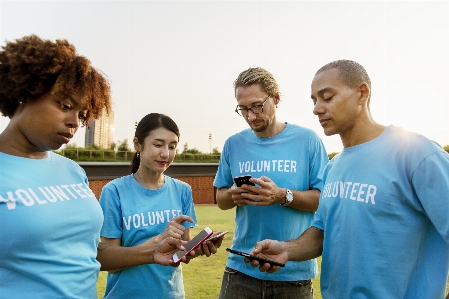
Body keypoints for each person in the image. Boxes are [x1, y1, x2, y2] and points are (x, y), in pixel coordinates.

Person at [0, 35, 191, 299]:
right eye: (65, 106)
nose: (74, 122)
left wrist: (152, 251)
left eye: (81, 114)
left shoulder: (73, 171)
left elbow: (93, 253)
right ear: (25, 92)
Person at [246, 60, 449, 299]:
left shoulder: (417, 154)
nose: (316, 109)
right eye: (314, 100)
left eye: (327, 97)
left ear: (361, 93)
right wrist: (286, 250)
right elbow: (321, 233)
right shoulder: (333, 167)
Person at [213, 67, 329, 298]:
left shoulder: (308, 141)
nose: (251, 116)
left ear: (275, 98)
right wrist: (232, 195)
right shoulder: (233, 144)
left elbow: (323, 201)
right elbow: (221, 200)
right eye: (243, 109)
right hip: (241, 268)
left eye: (257, 106)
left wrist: (282, 195)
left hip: (293, 273)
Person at [99, 113, 224, 299]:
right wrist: (158, 241)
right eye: (158, 145)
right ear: (137, 144)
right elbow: (109, 262)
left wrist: (196, 248)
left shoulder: (182, 190)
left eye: (172, 146)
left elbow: (180, 251)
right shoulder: (114, 191)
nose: (166, 153)